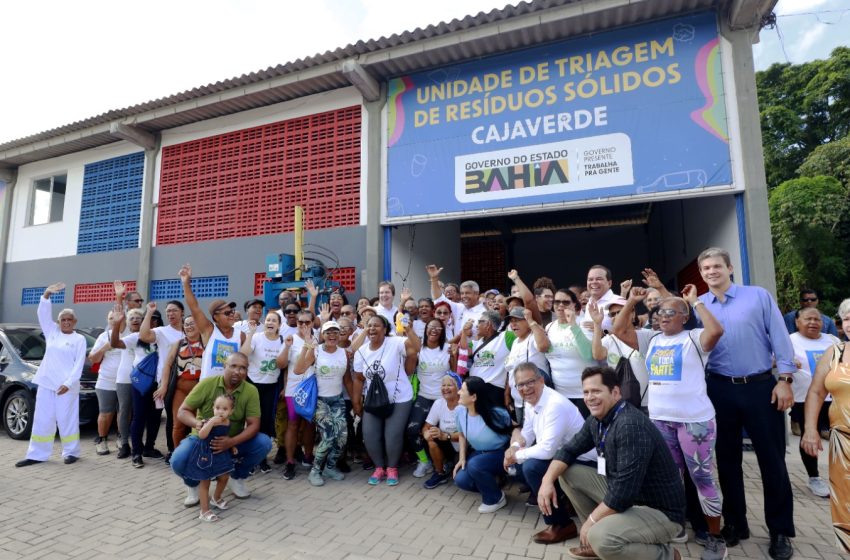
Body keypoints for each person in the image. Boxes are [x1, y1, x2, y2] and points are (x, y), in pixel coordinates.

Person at [613, 286, 727, 560]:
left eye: (670, 312)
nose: (663, 316)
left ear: (684, 317)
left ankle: (715, 537)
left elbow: (717, 331)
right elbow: (618, 330)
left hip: (694, 422)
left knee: (702, 478)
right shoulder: (651, 339)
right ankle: (676, 527)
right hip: (661, 420)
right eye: (660, 311)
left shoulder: (695, 338)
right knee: (670, 479)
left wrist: (694, 302)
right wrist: (631, 302)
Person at [696, 247, 795, 560]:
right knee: (726, 461)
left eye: (717, 266)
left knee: (772, 461)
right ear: (701, 274)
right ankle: (737, 524)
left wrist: (785, 379)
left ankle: (780, 530)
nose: (712, 272)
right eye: (706, 268)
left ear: (730, 268)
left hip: (760, 387)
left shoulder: (758, 297)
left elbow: (779, 337)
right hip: (719, 389)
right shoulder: (700, 305)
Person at [538, 366, 686, 560]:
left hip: (660, 512)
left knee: (602, 538)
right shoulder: (598, 419)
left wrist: (592, 521)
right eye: (586, 392)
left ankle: (667, 555)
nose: (590, 397)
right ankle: (593, 541)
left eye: (596, 391)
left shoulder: (630, 426)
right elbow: (569, 450)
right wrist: (547, 481)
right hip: (629, 497)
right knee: (567, 472)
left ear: (615, 392)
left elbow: (623, 493)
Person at [504, 363, 591, 544]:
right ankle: (565, 502)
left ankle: (562, 525)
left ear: (541, 381)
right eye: (520, 384)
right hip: (562, 455)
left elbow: (546, 450)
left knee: (532, 467)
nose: (525, 388)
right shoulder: (531, 401)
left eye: (530, 382)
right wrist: (513, 447)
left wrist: (516, 456)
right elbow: (527, 432)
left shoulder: (554, 404)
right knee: (521, 466)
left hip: (584, 462)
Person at [172, 352, 272, 505]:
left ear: (247, 371)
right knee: (177, 459)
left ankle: (236, 477)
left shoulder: (251, 390)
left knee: (264, 443)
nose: (237, 371)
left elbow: (254, 424)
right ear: (224, 366)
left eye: (242, 368)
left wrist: (231, 442)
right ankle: (193, 484)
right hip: (201, 439)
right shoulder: (207, 384)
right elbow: (183, 411)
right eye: (233, 366)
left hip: (231, 441)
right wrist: (197, 424)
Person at [16, 283, 87, 467]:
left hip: (66, 387)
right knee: (43, 419)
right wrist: (47, 294)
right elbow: (43, 315)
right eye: (63, 319)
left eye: (69, 319)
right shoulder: (52, 332)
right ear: (58, 322)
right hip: (47, 384)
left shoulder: (79, 339)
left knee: (67, 420)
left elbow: (79, 364)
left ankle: (71, 452)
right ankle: (37, 454)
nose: (66, 322)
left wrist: (69, 383)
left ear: (75, 322)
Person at [801, 298, 850, 554]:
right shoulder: (835, 352)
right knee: (844, 504)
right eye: (847, 318)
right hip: (841, 444)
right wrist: (810, 429)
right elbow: (816, 393)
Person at [352, 315, 420, 486]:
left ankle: (392, 468)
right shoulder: (362, 350)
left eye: (377, 325)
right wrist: (356, 402)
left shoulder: (396, 342)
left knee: (392, 436)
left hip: (399, 398)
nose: (372, 328)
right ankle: (379, 467)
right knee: (369, 435)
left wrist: (409, 330)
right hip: (374, 400)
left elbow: (416, 348)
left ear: (385, 329)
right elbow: (359, 379)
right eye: (369, 325)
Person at [294, 321, 352, 486]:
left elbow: (347, 379)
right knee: (328, 437)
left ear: (340, 334)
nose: (332, 336)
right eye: (328, 332)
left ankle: (330, 467)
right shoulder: (316, 351)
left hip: (338, 400)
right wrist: (307, 345)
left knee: (342, 438)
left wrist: (355, 402)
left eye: (335, 332)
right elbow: (298, 370)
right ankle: (315, 471)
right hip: (320, 401)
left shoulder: (344, 353)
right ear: (322, 335)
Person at [789, 307, 839, 497]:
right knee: (810, 437)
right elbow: (772, 361)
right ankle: (814, 478)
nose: (813, 322)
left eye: (817, 319)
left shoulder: (832, 340)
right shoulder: (789, 340)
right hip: (804, 399)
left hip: (834, 398)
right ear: (797, 321)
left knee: (839, 438)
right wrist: (787, 362)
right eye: (808, 319)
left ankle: (840, 476)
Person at [111, 304, 166, 468]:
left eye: (155, 319)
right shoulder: (136, 337)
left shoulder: (163, 336)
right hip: (141, 383)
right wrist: (116, 325)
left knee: (155, 417)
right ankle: (136, 453)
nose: (153, 322)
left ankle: (149, 448)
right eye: (150, 319)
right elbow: (115, 343)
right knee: (139, 417)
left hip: (159, 384)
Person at [453, 376, 514, 512]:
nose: (458, 392)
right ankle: (493, 486)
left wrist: (512, 453)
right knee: (461, 479)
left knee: (476, 465)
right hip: (478, 455)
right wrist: (462, 458)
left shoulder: (498, 414)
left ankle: (495, 499)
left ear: (474, 397)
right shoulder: (460, 412)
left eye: (462, 390)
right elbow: (462, 435)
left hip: (501, 455)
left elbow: (514, 431)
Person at [409, 318, 457, 478]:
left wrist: (454, 355)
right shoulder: (419, 348)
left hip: (442, 398)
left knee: (444, 432)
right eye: (431, 327)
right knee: (413, 430)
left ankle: (447, 461)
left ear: (443, 332)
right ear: (425, 329)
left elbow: (455, 373)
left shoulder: (447, 349)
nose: (434, 330)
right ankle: (424, 461)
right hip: (423, 396)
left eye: (438, 328)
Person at [179, 264, 244, 380]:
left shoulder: (240, 335)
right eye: (226, 313)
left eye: (232, 312)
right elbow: (194, 307)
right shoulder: (209, 330)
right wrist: (186, 284)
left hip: (231, 389)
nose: (231, 315)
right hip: (209, 389)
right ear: (216, 317)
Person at [239, 310, 284, 473]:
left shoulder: (281, 341)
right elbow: (244, 353)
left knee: (265, 423)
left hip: (271, 387)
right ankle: (249, 458)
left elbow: (284, 365)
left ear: (279, 325)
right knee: (251, 422)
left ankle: (261, 458)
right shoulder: (257, 337)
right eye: (268, 320)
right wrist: (250, 333)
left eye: (274, 320)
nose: (270, 323)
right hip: (253, 385)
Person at [589, 296, 652, 411]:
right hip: (624, 404)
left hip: (651, 402)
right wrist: (597, 324)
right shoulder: (609, 340)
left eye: (620, 312)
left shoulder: (648, 335)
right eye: (613, 314)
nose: (617, 316)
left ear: (633, 313)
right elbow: (598, 355)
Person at [276, 311, 317, 480]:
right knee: (292, 424)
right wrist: (286, 346)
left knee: (309, 424)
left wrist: (309, 344)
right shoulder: (290, 339)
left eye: (307, 322)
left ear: (313, 322)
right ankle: (290, 461)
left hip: (311, 388)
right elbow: (281, 364)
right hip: (293, 388)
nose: (304, 325)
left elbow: (311, 361)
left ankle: (308, 456)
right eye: (300, 322)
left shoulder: (318, 339)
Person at [184, 394, 236, 522]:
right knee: (205, 481)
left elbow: (224, 435)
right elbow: (201, 435)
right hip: (206, 454)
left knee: (224, 476)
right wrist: (211, 422)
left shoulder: (227, 421)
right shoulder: (209, 422)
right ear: (213, 408)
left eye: (224, 409)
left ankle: (216, 498)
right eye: (217, 408)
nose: (220, 411)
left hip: (220, 453)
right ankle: (204, 510)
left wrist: (231, 446)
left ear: (231, 411)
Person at [156, 315, 204, 449]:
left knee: (198, 424)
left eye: (192, 323)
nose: (189, 327)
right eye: (186, 324)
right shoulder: (178, 343)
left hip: (200, 390)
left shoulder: (207, 342)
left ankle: (197, 454)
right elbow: (167, 365)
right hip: (180, 389)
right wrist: (164, 386)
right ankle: (178, 454)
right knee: (178, 425)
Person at [545, 290, 595, 417]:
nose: (560, 305)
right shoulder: (549, 327)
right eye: (557, 302)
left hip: (584, 394)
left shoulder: (585, 324)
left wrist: (573, 325)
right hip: (560, 394)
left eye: (566, 302)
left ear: (575, 305)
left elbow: (588, 354)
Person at [503, 307, 551, 426]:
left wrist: (531, 321)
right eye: (511, 321)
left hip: (538, 400)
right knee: (525, 438)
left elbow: (544, 346)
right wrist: (507, 393)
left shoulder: (534, 336)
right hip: (519, 401)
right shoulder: (515, 342)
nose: (513, 324)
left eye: (518, 320)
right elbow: (511, 370)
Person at [461, 310, 515, 405]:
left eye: (479, 322)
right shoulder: (476, 343)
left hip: (493, 389)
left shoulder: (506, 336)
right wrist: (464, 333)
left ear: (488, 324)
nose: (477, 326)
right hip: (474, 389)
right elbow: (464, 351)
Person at [88, 310, 123, 455]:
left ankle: (122, 438)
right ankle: (102, 440)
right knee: (106, 412)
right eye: (110, 318)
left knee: (124, 412)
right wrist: (105, 347)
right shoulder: (103, 336)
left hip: (125, 381)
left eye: (116, 318)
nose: (113, 321)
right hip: (106, 381)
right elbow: (93, 359)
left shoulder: (128, 335)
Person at [422, 374, 462, 489]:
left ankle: (453, 464)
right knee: (431, 440)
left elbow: (469, 434)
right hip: (448, 444)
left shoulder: (464, 405)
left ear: (458, 388)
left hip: (465, 448)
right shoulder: (439, 403)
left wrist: (446, 436)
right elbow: (426, 426)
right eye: (443, 385)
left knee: (460, 479)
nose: (445, 388)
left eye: (449, 385)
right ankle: (440, 473)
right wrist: (426, 434)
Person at [428, 265, 487, 339]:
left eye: (467, 293)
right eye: (462, 293)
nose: (464, 296)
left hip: (474, 350)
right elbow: (439, 298)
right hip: (456, 350)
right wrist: (434, 279)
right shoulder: (459, 307)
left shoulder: (484, 313)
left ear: (476, 294)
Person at [114, 308, 144, 458]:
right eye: (132, 317)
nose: (135, 320)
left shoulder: (148, 335)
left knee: (139, 413)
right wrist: (119, 297)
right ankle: (124, 443)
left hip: (142, 380)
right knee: (124, 411)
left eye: (138, 317)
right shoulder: (124, 334)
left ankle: (138, 444)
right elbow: (118, 317)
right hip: (125, 378)